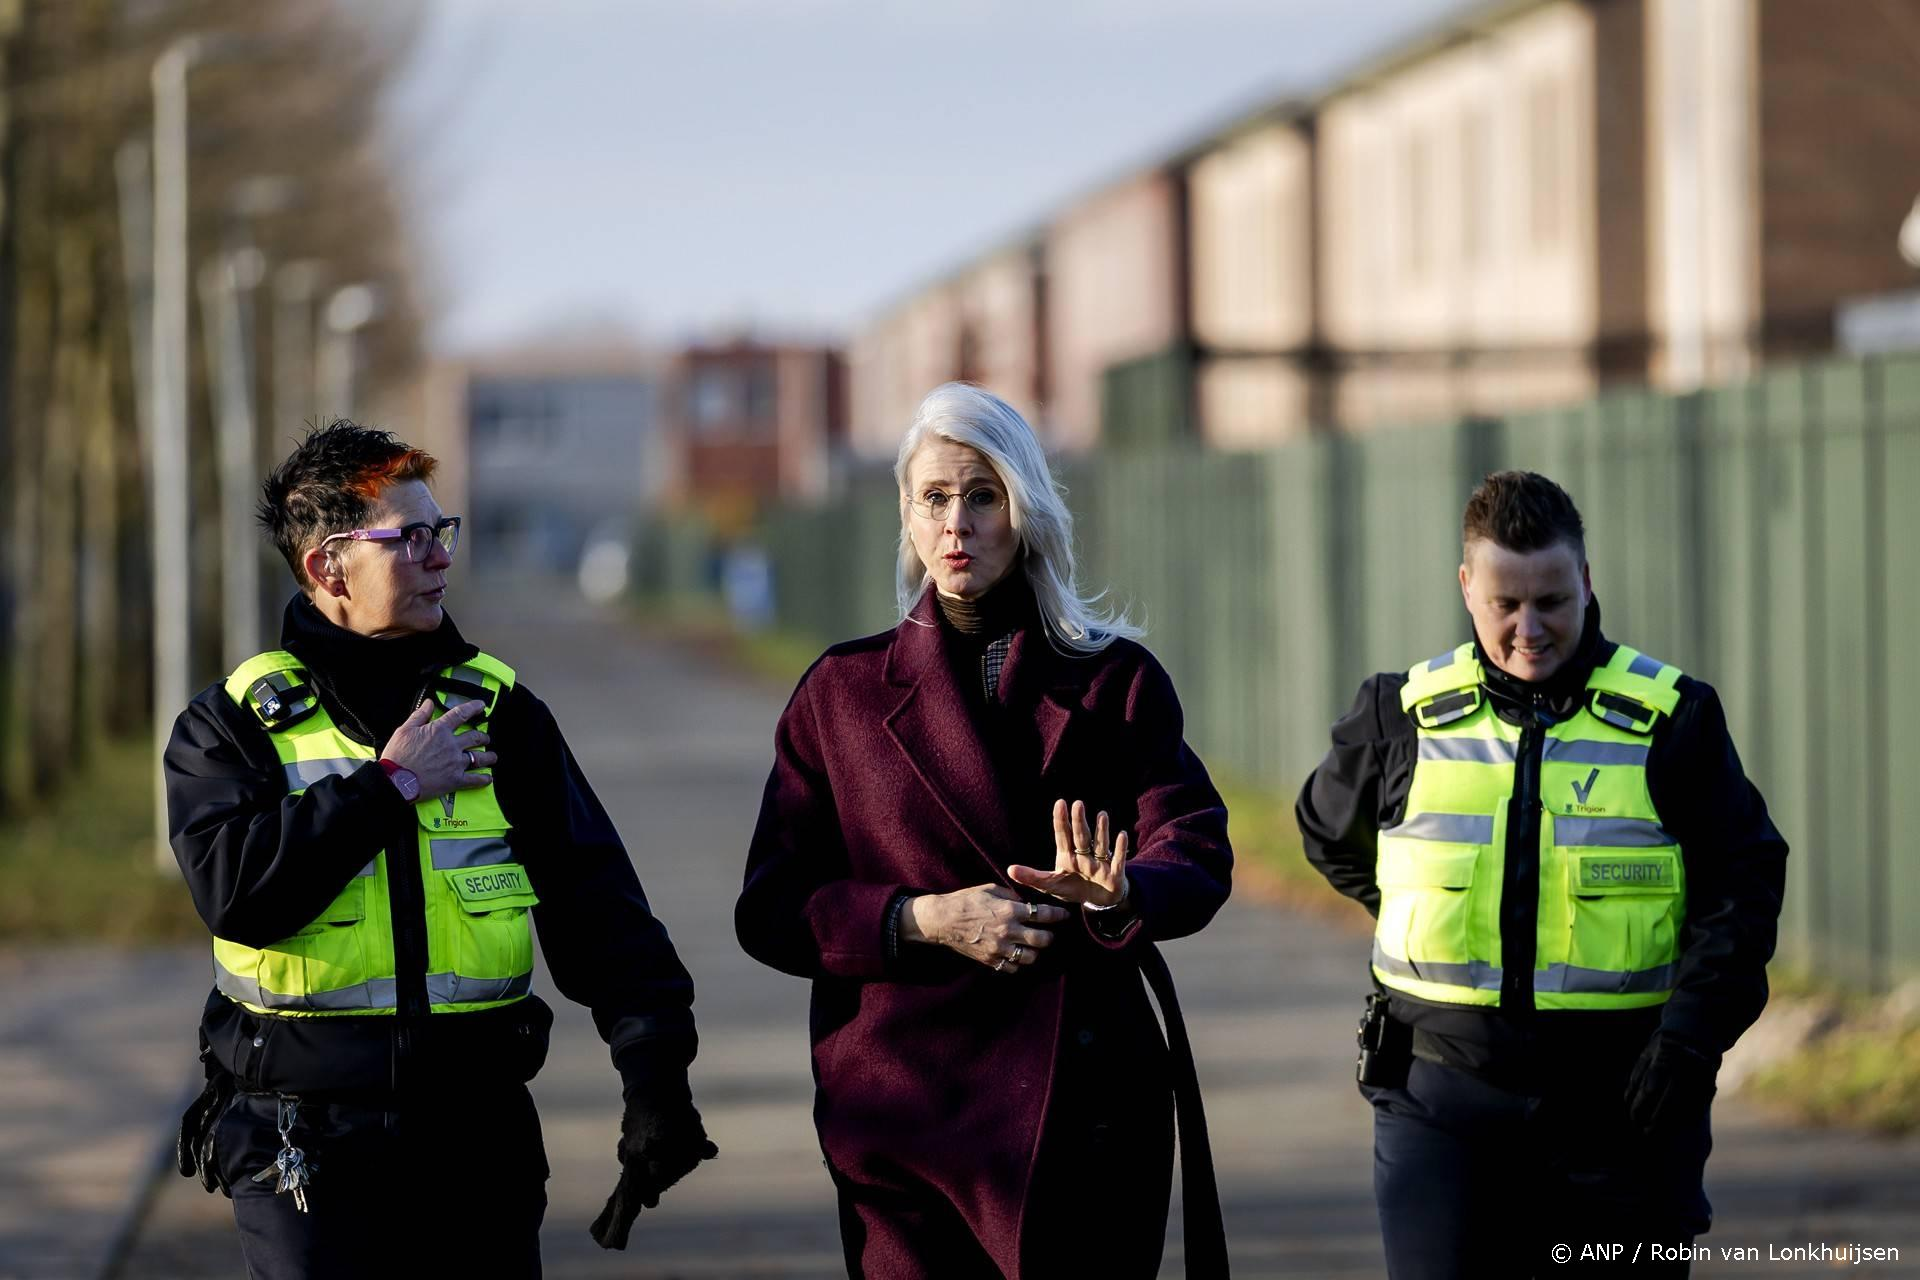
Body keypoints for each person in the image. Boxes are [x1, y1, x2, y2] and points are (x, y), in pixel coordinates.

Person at [166, 420, 716, 1278]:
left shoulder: (502, 713)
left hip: (478, 1139)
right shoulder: (230, 724)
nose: (438, 556)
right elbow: (236, 893)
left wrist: (657, 1079)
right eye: (409, 537)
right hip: (300, 1147)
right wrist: (388, 786)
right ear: (328, 567)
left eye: (441, 531)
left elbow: (600, 909)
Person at [735, 383, 1234, 1279]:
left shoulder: (1115, 681)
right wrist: (923, 920)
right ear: (907, 513)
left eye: (983, 494)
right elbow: (772, 909)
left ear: (1026, 510)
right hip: (900, 1120)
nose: (957, 522)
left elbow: (1193, 846)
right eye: (935, 497)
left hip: (1084, 1116)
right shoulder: (840, 694)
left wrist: (1122, 896)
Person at [1298, 470, 1788, 1278]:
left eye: (1553, 601)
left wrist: (1691, 1043)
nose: (1530, 628)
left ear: (1587, 582)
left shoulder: (1675, 720)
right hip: (1439, 1108)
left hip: (1622, 1109)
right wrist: (1421, 908)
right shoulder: (1399, 713)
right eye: (1505, 604)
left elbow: (1744, 885)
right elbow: (1326, 831)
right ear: (1467, 589)